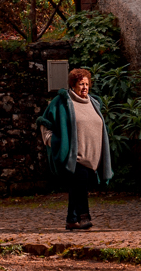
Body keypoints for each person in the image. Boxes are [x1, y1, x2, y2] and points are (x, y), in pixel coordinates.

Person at [37, 67, 113, 231]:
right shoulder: (63, 102)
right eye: (81, 84)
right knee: (81, 183)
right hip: (73, 156)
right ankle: (84, 217)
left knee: (77, 186)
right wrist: (53, 142)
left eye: (86, 84)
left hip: (91, 156)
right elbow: (45, 123)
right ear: (73, 85)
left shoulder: (94, 102)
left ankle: (72, 219)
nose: (84, 87)